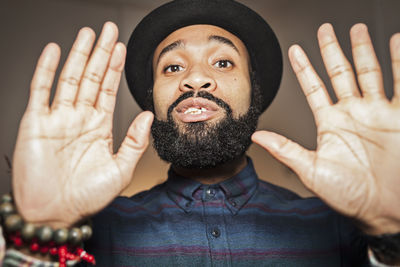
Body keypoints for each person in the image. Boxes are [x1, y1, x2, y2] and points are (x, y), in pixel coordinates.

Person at [0, 0, 399, 266]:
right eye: (173, 67)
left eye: (223, 62)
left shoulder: (339, 226)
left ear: (253, 93)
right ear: (153, 100)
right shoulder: (92, 232)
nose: (195, 78)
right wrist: (46, 226)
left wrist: (389, 227)